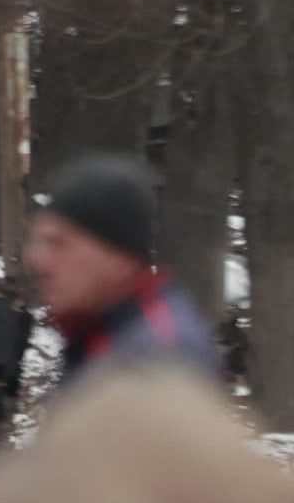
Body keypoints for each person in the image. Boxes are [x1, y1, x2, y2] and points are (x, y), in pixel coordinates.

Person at [25, 155, 222, 383]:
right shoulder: (102, 336)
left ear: (117, 256)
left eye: (60, 244)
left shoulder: (158, 357)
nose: (38, 261)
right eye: (38, 242)